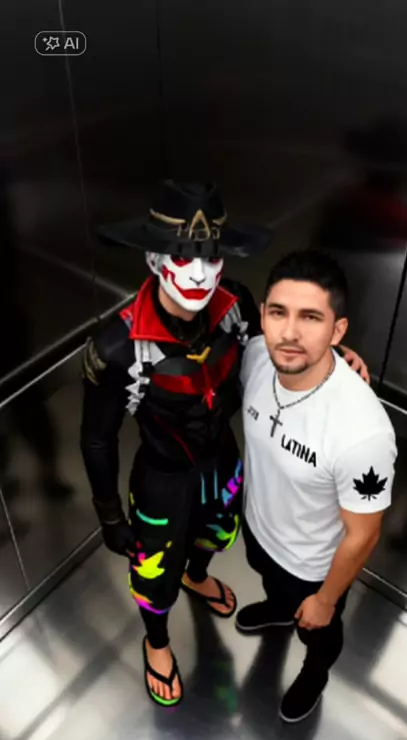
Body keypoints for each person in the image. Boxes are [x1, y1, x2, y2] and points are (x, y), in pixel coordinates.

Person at [80, 181, 367, 708]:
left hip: (223, 460)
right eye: (180, 257)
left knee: (217, 534)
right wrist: (109, 514)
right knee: (152, 571)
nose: (198, 274)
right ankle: (157, 642)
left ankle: (197, 576)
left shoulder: (234, 305)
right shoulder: (118, 345)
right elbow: (97, 438)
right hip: (163, 476)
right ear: (153, 259)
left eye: (209, 257)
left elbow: (279, 350)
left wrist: (334, 357)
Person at [236, 249, 397, 723]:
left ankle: (315, 671)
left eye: (310, 317)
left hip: (311, 566)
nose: (289, 332)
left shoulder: (362, 433)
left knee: (318, 629)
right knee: (272, 585)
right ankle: (277, 608)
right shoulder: (255, 358)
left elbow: (363, 534)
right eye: (278, 312)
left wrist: (325, 599)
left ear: (337, 330)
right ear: (262, 315)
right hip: (258, 529)